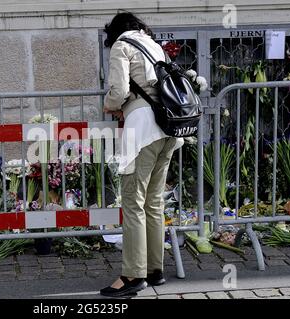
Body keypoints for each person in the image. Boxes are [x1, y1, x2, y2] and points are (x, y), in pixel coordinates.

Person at [100, 12, 184, 297]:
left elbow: (120, 90)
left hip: (143, 131)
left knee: (134, 203)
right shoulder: (152, 44)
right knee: (154, 202)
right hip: (168, 128)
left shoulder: (121, 47)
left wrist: (109, 104)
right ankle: (154, 270)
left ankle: (133, 276)